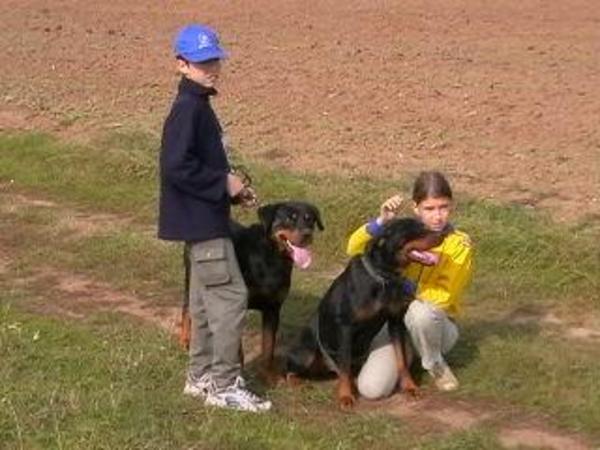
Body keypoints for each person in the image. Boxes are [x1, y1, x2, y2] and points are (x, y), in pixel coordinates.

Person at [158, 24, 270, 412]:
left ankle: (200, 377)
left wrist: (232, 189)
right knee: (230, 298)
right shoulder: (189, 109)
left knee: (205, 302)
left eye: (214, 60)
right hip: (203, 224)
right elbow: (176, 167)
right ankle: (224, 385)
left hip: (203, 219)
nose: (212, 68)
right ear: (181, 64)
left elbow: (195, 166)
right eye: (202, 62)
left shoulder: (197, 106)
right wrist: (222, 183)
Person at [346, 171, 473, 399]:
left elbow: (441, 298)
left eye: (443, 207)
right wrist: (381, 222)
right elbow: (353, 249)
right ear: (416, 208)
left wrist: (401, 285)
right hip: (397, 322)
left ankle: (435, 363)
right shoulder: (404, 233)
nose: (438, 216)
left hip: (437, 324)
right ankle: (406, 356)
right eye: (429, 208)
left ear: (452, 206)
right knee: (371, 390)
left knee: (420, 312)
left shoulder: (459, 244)